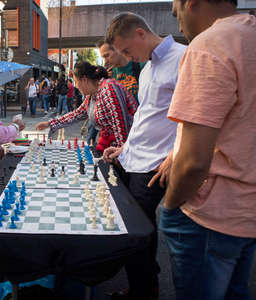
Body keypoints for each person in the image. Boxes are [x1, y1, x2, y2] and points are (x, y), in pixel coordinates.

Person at [159, 1, 256, 300]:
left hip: (211, 213)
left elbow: (193, 162)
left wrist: (170, 204)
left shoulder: (210, 44)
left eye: (177, 14)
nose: (179, 26)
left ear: (190, 3)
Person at [103, 13, 186, 300]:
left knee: (136, 231)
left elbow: (196, 116)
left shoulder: (183, 58)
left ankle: (144, 290)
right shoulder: (147, 68)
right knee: (138, 232)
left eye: (126, 50)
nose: (127, 57)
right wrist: (124, 147)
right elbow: (144, 116)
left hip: (155, 164)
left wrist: (177, 153)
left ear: (140, 33)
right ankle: (143, 285)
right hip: (133, 158)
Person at [35, 62, 137, 155]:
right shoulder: (91, 96)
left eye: (76, 82)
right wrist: (49, 123)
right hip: (114, 146)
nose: (77, 86)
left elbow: (120, 125)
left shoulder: (109, 89)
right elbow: (76, 114)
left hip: (131, 147)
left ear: (84, 80)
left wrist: (121, 154)